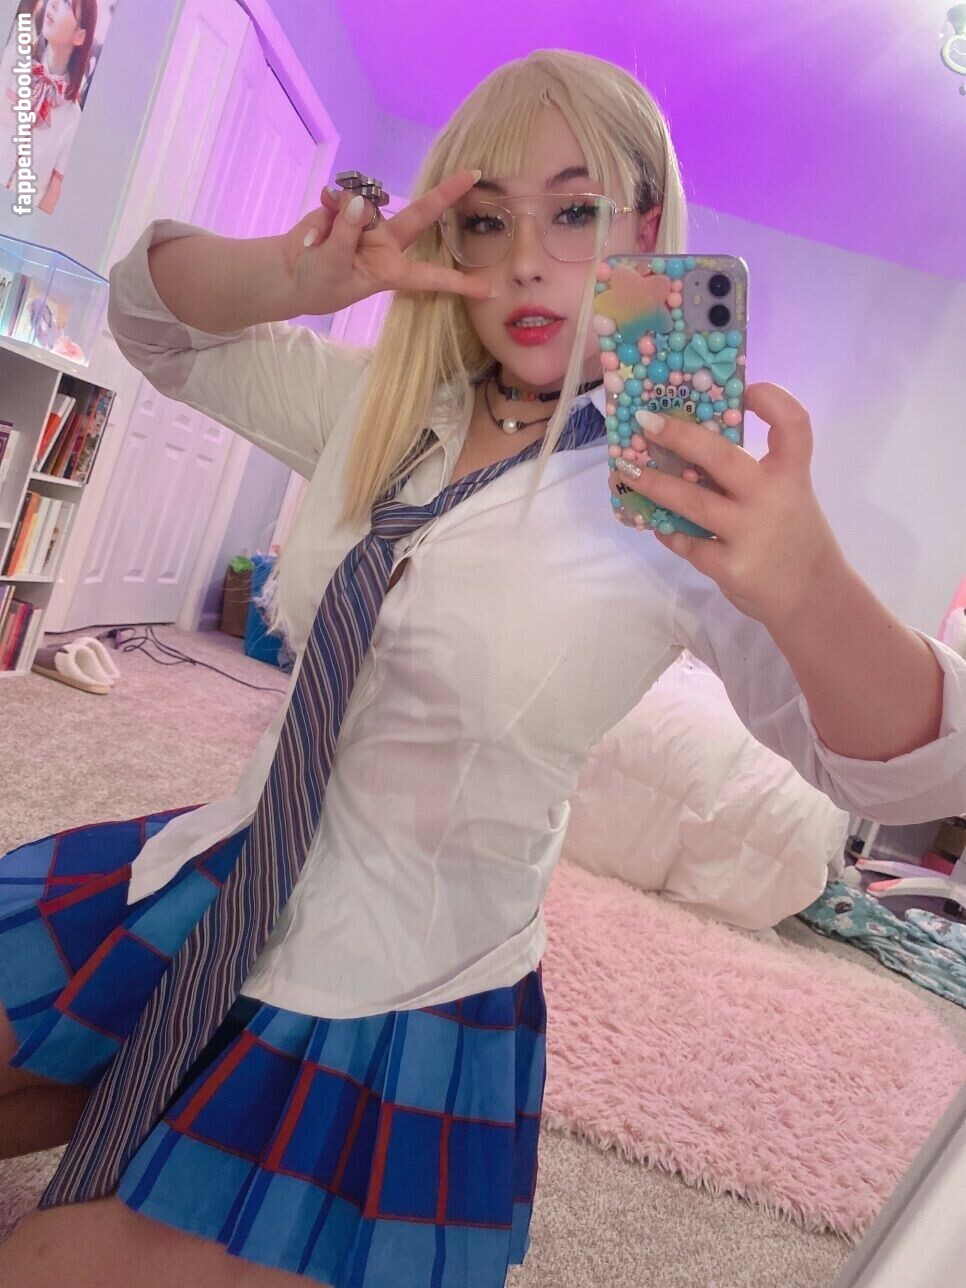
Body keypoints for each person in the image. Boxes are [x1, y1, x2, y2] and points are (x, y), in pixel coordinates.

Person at [1, 47, 964, 1288]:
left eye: (574, 211)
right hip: (223, 875)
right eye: (488, 217)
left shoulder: (679, 504)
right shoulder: (385, 406)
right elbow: (152, 320)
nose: (525, 262)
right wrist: (296, 275)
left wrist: (808, 580)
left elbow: (906, 775)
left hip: (393, 986)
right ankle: (153, 1077)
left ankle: (171, 1099)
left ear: (648, 230)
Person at [1, 0, 94, 213]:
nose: (54, 4)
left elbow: (54, 188)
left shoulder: (72, 116)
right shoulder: (13, 61)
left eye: (67, 3)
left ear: (79, 36)